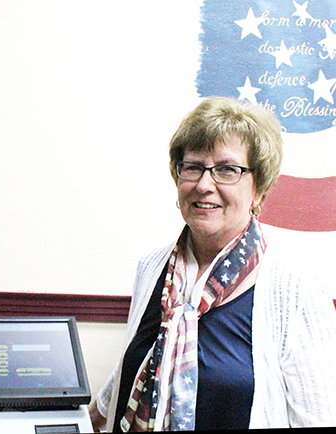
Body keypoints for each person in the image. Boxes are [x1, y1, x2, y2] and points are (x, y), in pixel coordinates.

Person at [89, 97, 336, 431]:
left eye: (227, 170)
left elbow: (319, 417)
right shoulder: (152, 266)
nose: (204, 185)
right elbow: (145, 359)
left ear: (259, 189)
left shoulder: (295, 286)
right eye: (192, 167)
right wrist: (85, 417)